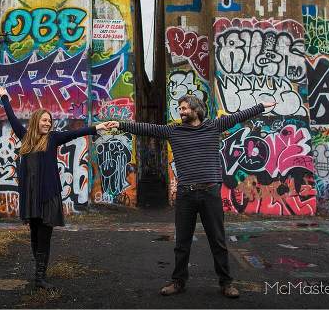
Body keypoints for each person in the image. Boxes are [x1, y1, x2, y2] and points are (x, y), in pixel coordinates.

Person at [115, 94, 275, 298]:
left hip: (210, 193)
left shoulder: (213, 127)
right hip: (186, 194)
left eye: (184, 108)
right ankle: (178, 282)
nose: (180, 111)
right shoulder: (174, 130)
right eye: (179, 108)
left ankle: (226, 283)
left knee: (217, 240)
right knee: (182, 242)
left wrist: (261, 105)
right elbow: (147, 129)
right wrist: (120, 124)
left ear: (196, 109)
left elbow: (238, 116)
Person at [0, 86, 117, 289]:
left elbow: (77, 133)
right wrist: (6, 98)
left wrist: (97, 127)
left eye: (49, 121)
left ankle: (40, 278)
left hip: (48, 195)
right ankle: (39, 269)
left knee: (44, 235)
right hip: (30, 197)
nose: (48, 123)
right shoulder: (25, 138)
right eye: (44, 120)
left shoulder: (53, 138)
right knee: (34, 235)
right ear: (36, 121)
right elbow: (13, 118)